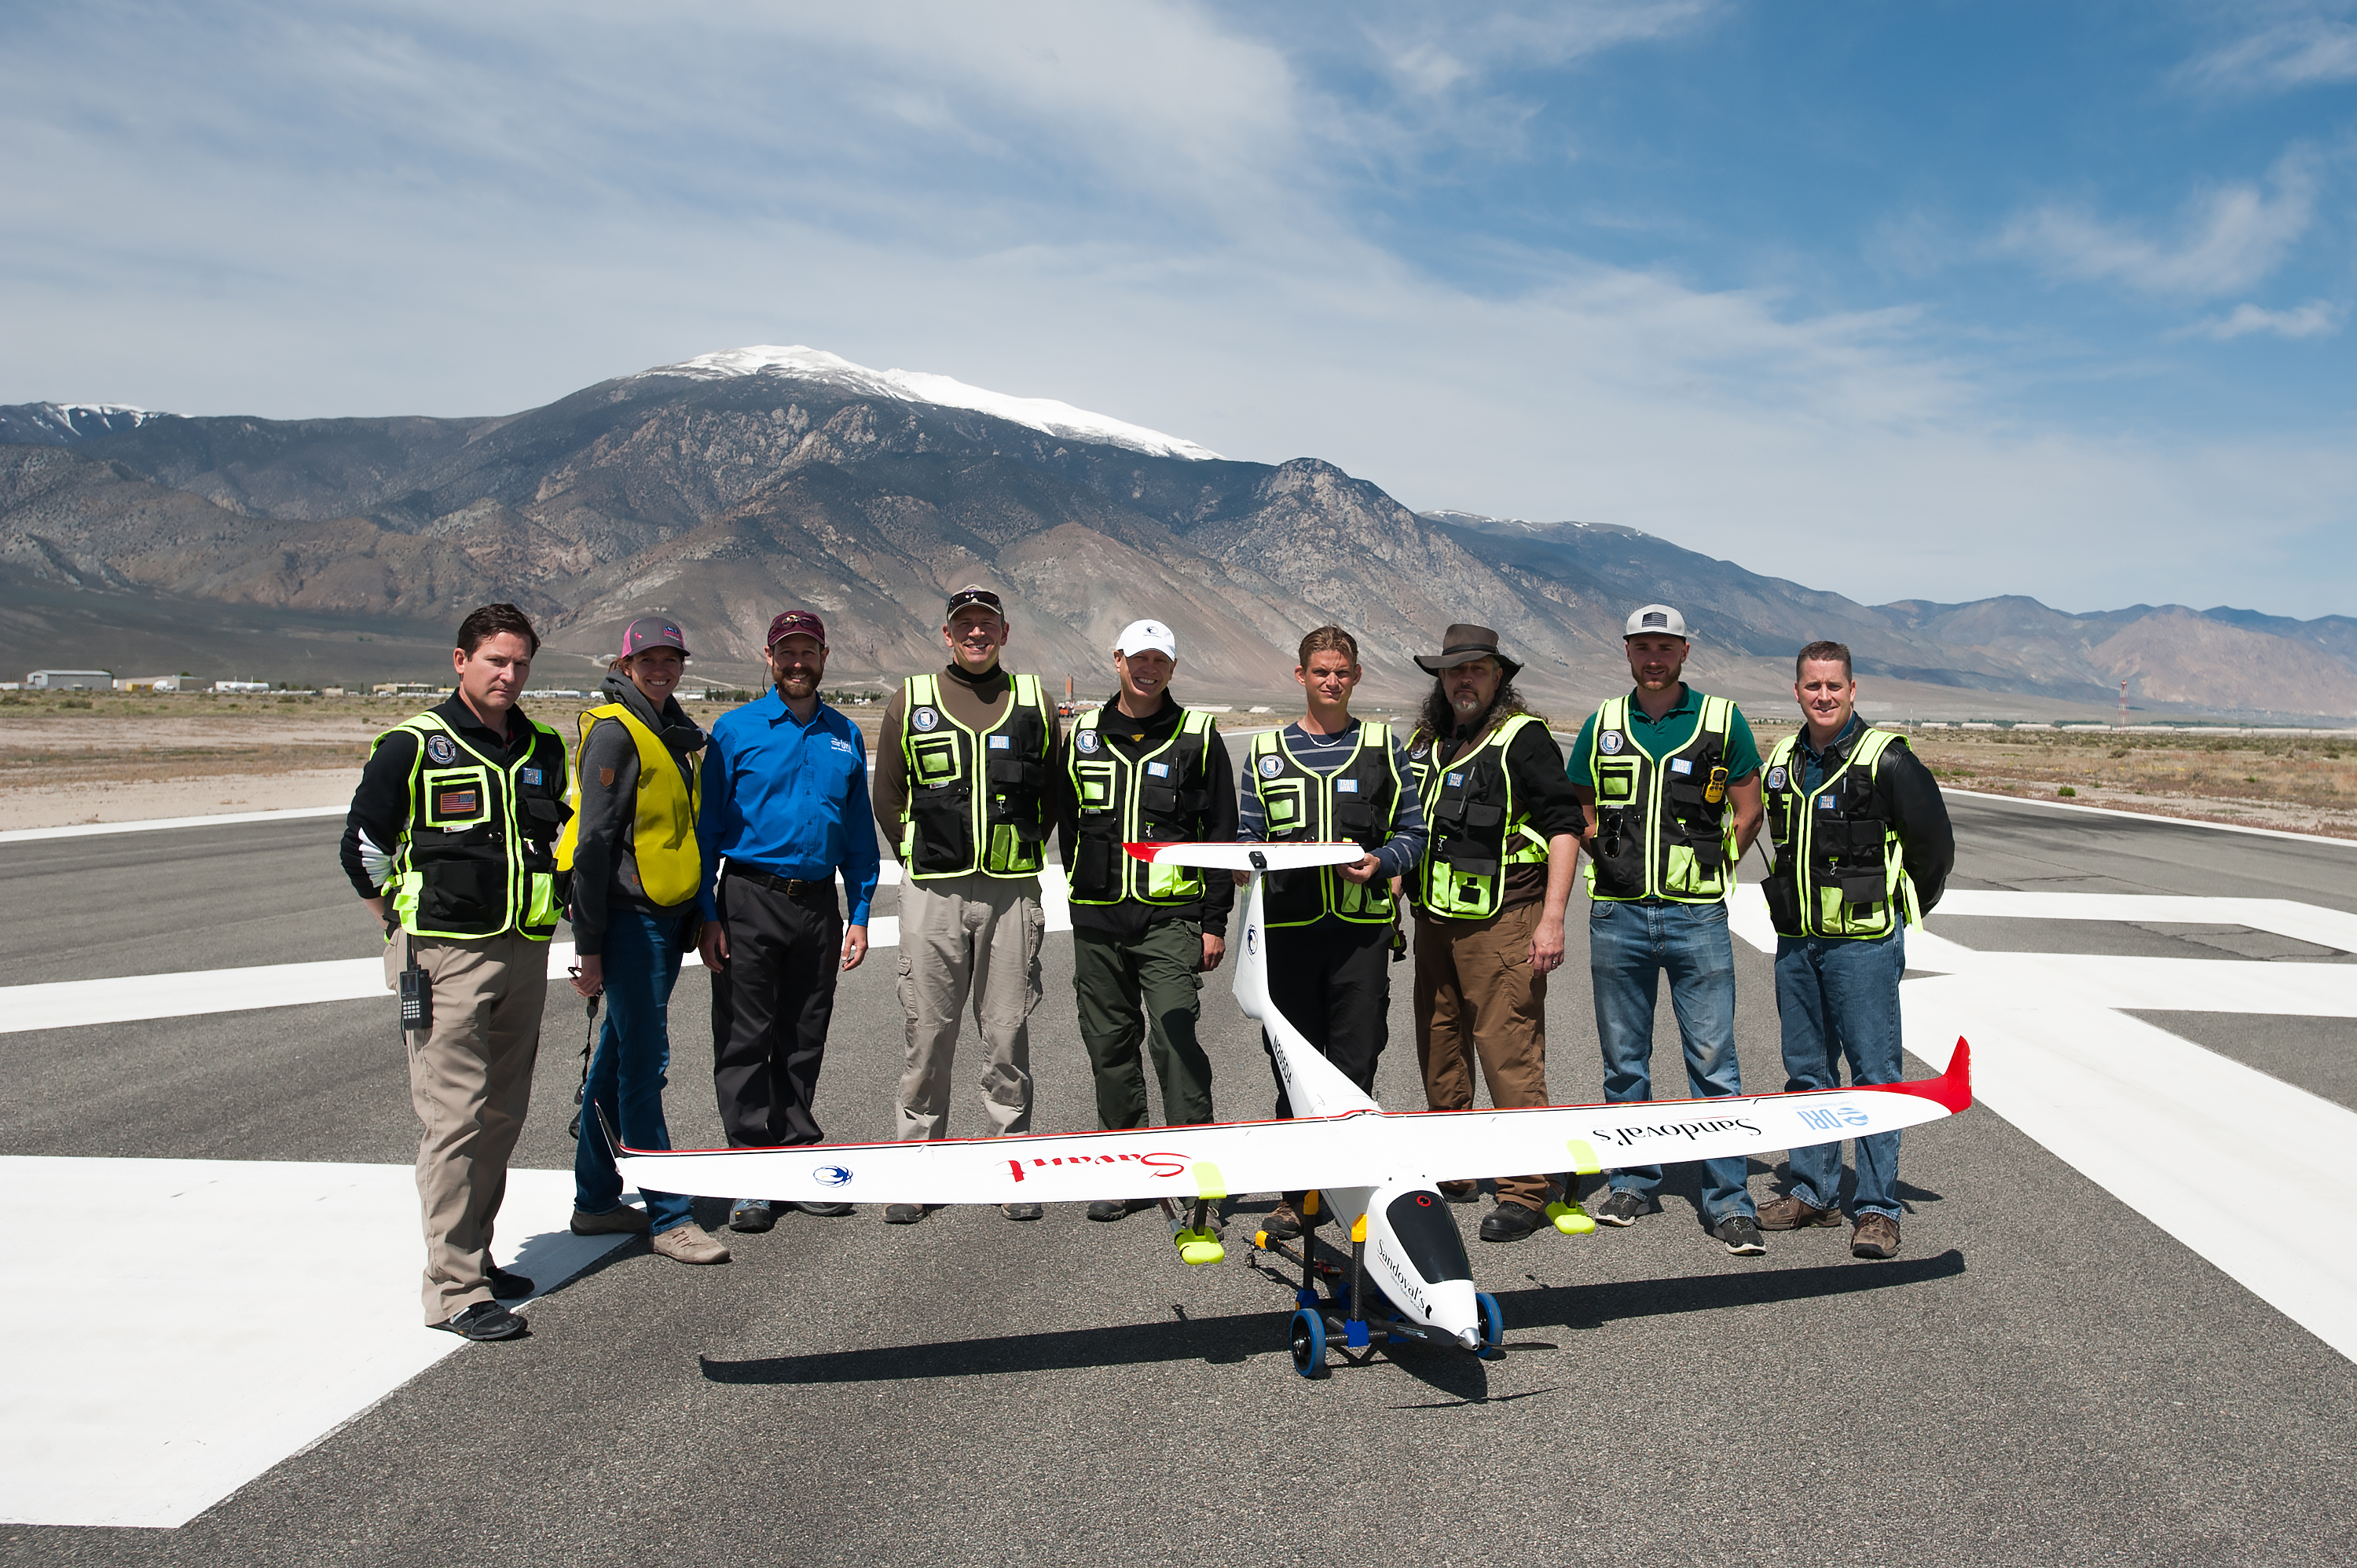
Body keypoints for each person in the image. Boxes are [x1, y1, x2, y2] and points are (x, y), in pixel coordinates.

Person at [339, 603, 570, 1341]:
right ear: (460, 661)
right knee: (453, 1120)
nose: (509, 675)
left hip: (523, 950)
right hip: (444, 957)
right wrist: (395, 923)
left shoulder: (541, 746)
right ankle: (453, 1290)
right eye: (495, 661)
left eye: (521, 663)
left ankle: (475, 1250)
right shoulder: (412, 746)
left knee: (502, 1112)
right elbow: (364, 849)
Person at [1568, 604, 1769, 1256]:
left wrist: (1714, 865)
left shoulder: (1721, 720)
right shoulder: (1603, 722)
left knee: (1714, 1062)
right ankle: (1631, 1179)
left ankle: (1730, 1200)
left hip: (1696, 916)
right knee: (1625, 1062)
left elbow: (1748, 807)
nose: (1654, 658)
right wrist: (1608, 848)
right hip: (1617, 914)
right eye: (1643, 647)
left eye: (1666, 647)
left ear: (1685, 652)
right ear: (1627, 652)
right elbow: (1581, 802)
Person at [871, 585, 1065, 1224]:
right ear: (947, 635)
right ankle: (916, 1169)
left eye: (987, 625)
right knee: (928, 1032)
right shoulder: (913, 698)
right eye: (965, 626)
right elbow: (889, 792)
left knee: (1006, 1033)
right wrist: (917, 855)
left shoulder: (1034, 699)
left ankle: (1012, 1167)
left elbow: (1057, 790)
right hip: (933, 890)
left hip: (1011, 890)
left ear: (1005, 633)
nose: (976, 634)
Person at [1756, 640, 1954, 1259]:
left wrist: (1895, 908)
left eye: (1833, 686)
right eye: (1812, 686)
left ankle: (1876, 1208)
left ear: (1852, 689)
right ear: (1796, 691)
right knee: (1807, 1075)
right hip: (1797, 944)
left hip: (1863, 947)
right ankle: (1814, 1193)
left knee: (1874, 1078)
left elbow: (1934, 848)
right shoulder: (1782, 759)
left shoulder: (1887, 760)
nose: (1823, 696)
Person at [1237, 625, 1427, 1240]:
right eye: (1320, 671)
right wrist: (1251, 862)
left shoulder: (1384, 747)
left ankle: (1352, 1190)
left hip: (1361, 937)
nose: (1331, 681)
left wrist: (1382, 862)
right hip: (1288, 936)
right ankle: (1297, 1198)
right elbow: (1244, 839)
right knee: (1292, 1068)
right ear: (1301, 676)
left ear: (1357, 676)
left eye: (1342, 672)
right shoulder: (1265, 753)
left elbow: (1413, 834)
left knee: (1354, 1064)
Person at [554, 617, 731, 1266]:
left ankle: (596, 1199)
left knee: (616, 1060)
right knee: (644, 1067)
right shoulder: (613, 732)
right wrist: (592, 944)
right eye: (648, 660)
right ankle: (669, 1215)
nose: (662, 669)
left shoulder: (671, 729)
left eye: (672, 659)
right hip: (627, 921)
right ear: (625, 665)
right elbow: (595, 845)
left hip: (663, 917)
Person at [696, 610, 879, 1234]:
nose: (798, 663)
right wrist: (706, 915)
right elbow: (707, 831)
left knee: (804, 1034)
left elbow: (857, 834)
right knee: (746, 1035)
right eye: (787, 653)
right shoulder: (734, 730)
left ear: (824, 656)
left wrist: (858, 912)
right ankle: (751, 1167)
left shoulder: (844, 735)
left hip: (817, 905)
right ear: (769, 659)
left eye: (809, 652)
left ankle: (797, 1151)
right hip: (749, 896)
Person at [1402, 625, 1584, 1244]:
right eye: (1453, 671)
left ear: (1499, 676)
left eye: (1477, 669)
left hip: (1505, 922)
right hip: (1434, 922)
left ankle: (1526, 1187)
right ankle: (1456, 1165)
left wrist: (1553, 918)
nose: (1464, 680)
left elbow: (1565, 825)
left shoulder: (1522, 740)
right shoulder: (1428, 742)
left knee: (1509, 1051)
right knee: (1439, 1044)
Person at [1057, 618, 1237, 1222]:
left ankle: (1195, 1166)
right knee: (1108, 1044)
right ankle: (1127, 1168)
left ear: (1173, 668)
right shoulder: (1081, 732)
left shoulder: (1197, 736)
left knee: (1174, 1039)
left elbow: (1219, 836)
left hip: (1171, 919)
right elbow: (1065, 817)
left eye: (1160, 660)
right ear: (1117, 660)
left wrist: (1214, 921)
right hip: (1099, 920)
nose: (1148, 669)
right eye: (1139, 658)